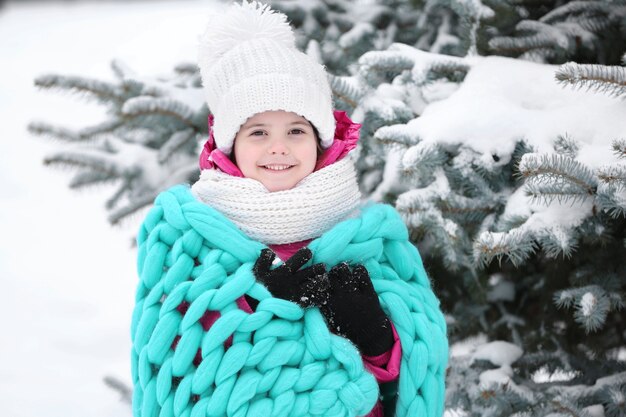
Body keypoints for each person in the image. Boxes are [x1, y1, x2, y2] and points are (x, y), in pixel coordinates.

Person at [130, 2, 448, 417]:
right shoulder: (189, 242)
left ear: (320, 142)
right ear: (229, 145)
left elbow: (404, 387)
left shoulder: (368, 242)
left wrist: (376, 340)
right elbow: (177, 364)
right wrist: (262, 310)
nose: (278, 147)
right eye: (258, 131)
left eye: (296, 130)